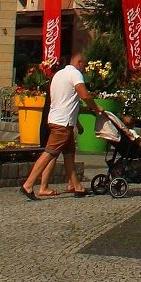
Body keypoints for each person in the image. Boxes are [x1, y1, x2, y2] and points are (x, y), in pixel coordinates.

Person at [19, 49, 99, 200]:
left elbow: (67, 102)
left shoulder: (58, 75)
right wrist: (96, 107)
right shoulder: (75, 74)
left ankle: (76, 186)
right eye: (84, 66)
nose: (85, 69)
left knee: (69, 154)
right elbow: (84, 94)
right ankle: (28, 185)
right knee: (50, 152)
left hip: (57, 119)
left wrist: (82, 115)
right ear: (79, 63)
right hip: (63, 123)